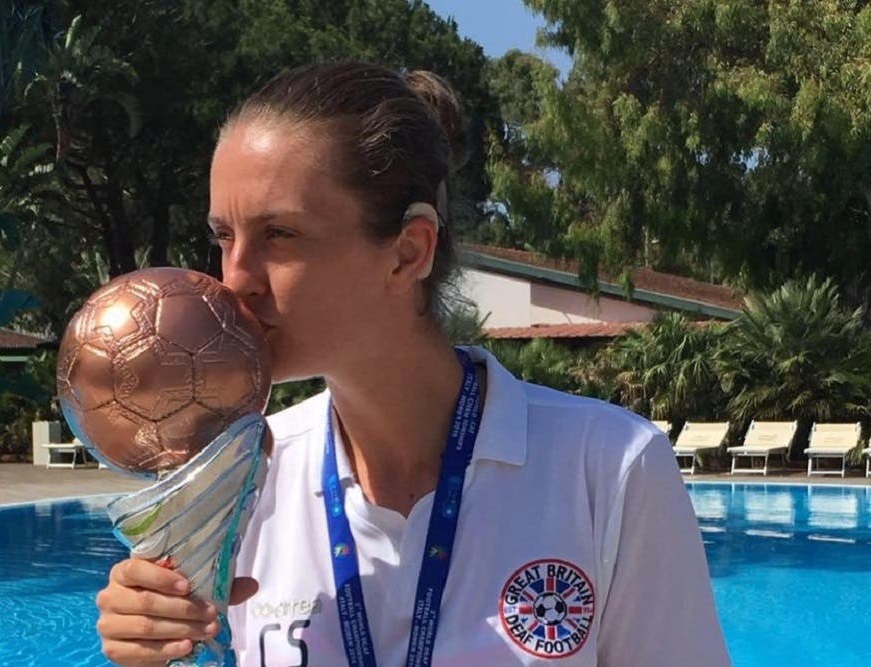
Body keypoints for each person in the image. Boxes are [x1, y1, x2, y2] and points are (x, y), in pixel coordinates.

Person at [94, 61, 731, 667]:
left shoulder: (608, 469)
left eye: (278, 236)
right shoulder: (245, 480)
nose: (236, 280)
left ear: (406, 253)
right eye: (224, 238)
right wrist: (157, 642)